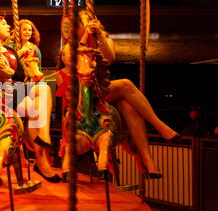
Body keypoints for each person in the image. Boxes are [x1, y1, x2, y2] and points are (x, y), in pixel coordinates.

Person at [55, 12, 178, 179]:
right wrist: (85, 35)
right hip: (81, 94)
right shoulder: (71, 46)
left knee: (128, 107)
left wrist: (98, 37)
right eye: (79, 24)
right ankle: (159, 125)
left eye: (84, 23)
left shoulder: (103, 40)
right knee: (126, 84)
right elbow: (77, 59)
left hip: (99, 90)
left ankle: (148, 161)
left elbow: (109, 58)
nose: (81, 26)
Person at [0, 16, 61, 186]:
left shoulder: (10, 50)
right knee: (43, 90)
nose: (8, 26)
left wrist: (8, 70)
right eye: (3, 23)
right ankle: (42, 148)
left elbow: (19, 75)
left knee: (34, 107)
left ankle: (41, 157)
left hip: (13, 91)